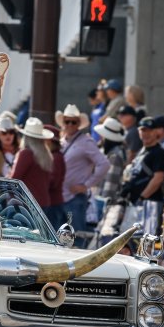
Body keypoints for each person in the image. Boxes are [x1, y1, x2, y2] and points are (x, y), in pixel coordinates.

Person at [57, 104, 110, 244]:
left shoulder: (86, 142)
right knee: (59, 237)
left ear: (78, 124)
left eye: (73, 122)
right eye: (66, 121)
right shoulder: (61, 141)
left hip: (74, 198)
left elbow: (104, 164)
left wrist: (86, 185)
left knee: (76, 237)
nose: (69, 125)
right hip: (59, 197)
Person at [120, 117, 164, 234]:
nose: (145, 133)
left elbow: (158, 178)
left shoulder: (159, 152)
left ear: (156, 131)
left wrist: (142, 197)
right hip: (136, 204)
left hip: (150, 204)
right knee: (130, 241)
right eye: (143, 130)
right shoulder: (141, 151)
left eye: (149, 130)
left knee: (147, 240)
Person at [10, 118, 54, 210]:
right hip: (43, 202)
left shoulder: (26, 153)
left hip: (27, 203)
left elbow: (14, 178)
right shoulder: (46, 154)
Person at [94, 117, 127, 200]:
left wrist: (103, 204)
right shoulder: (110, 153)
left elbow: (110, 184)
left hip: (105, 202)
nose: (101, 138)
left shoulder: (114, 156)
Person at [44, 124, 66, 229]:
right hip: (52, 203)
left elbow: (53, 182)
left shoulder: (56, 157)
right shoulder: (53, 156)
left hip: (53, 204)